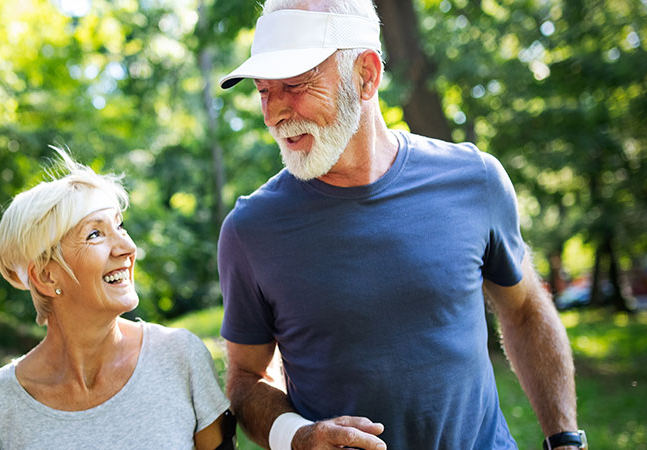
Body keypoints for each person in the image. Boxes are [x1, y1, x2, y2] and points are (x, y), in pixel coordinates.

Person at [216, 1, 584, 450]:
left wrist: (565, 439)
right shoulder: (250, 230)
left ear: (366, 76)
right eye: (262, 91)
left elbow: (525, 310)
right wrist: (298, 436)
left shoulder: (475, 179)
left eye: (294, 85)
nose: (273, 113)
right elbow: (245, 378)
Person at [0, 148, 233, 450]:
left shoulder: (181, 357)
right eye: (95, 234)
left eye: (120, 226)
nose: (127, 247)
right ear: (46, 276)